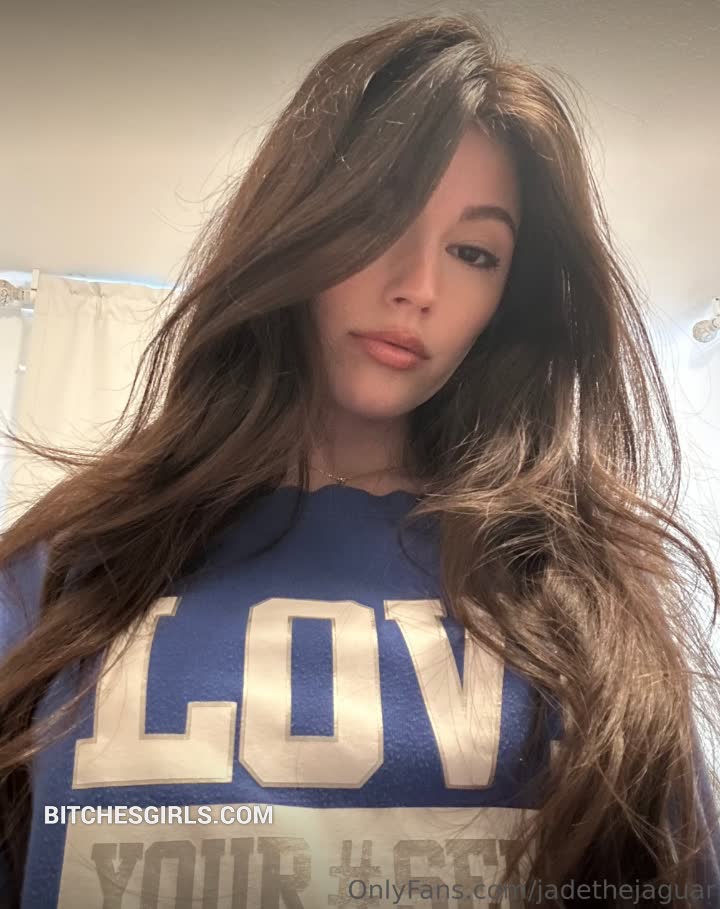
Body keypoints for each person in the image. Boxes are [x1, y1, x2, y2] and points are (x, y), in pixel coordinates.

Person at [1, 11, 719, 909]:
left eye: (473, 252)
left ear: (509, 298)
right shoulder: (70, 566)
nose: (418, 287)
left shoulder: (585, 587)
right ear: (300, 225)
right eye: (379, 219)